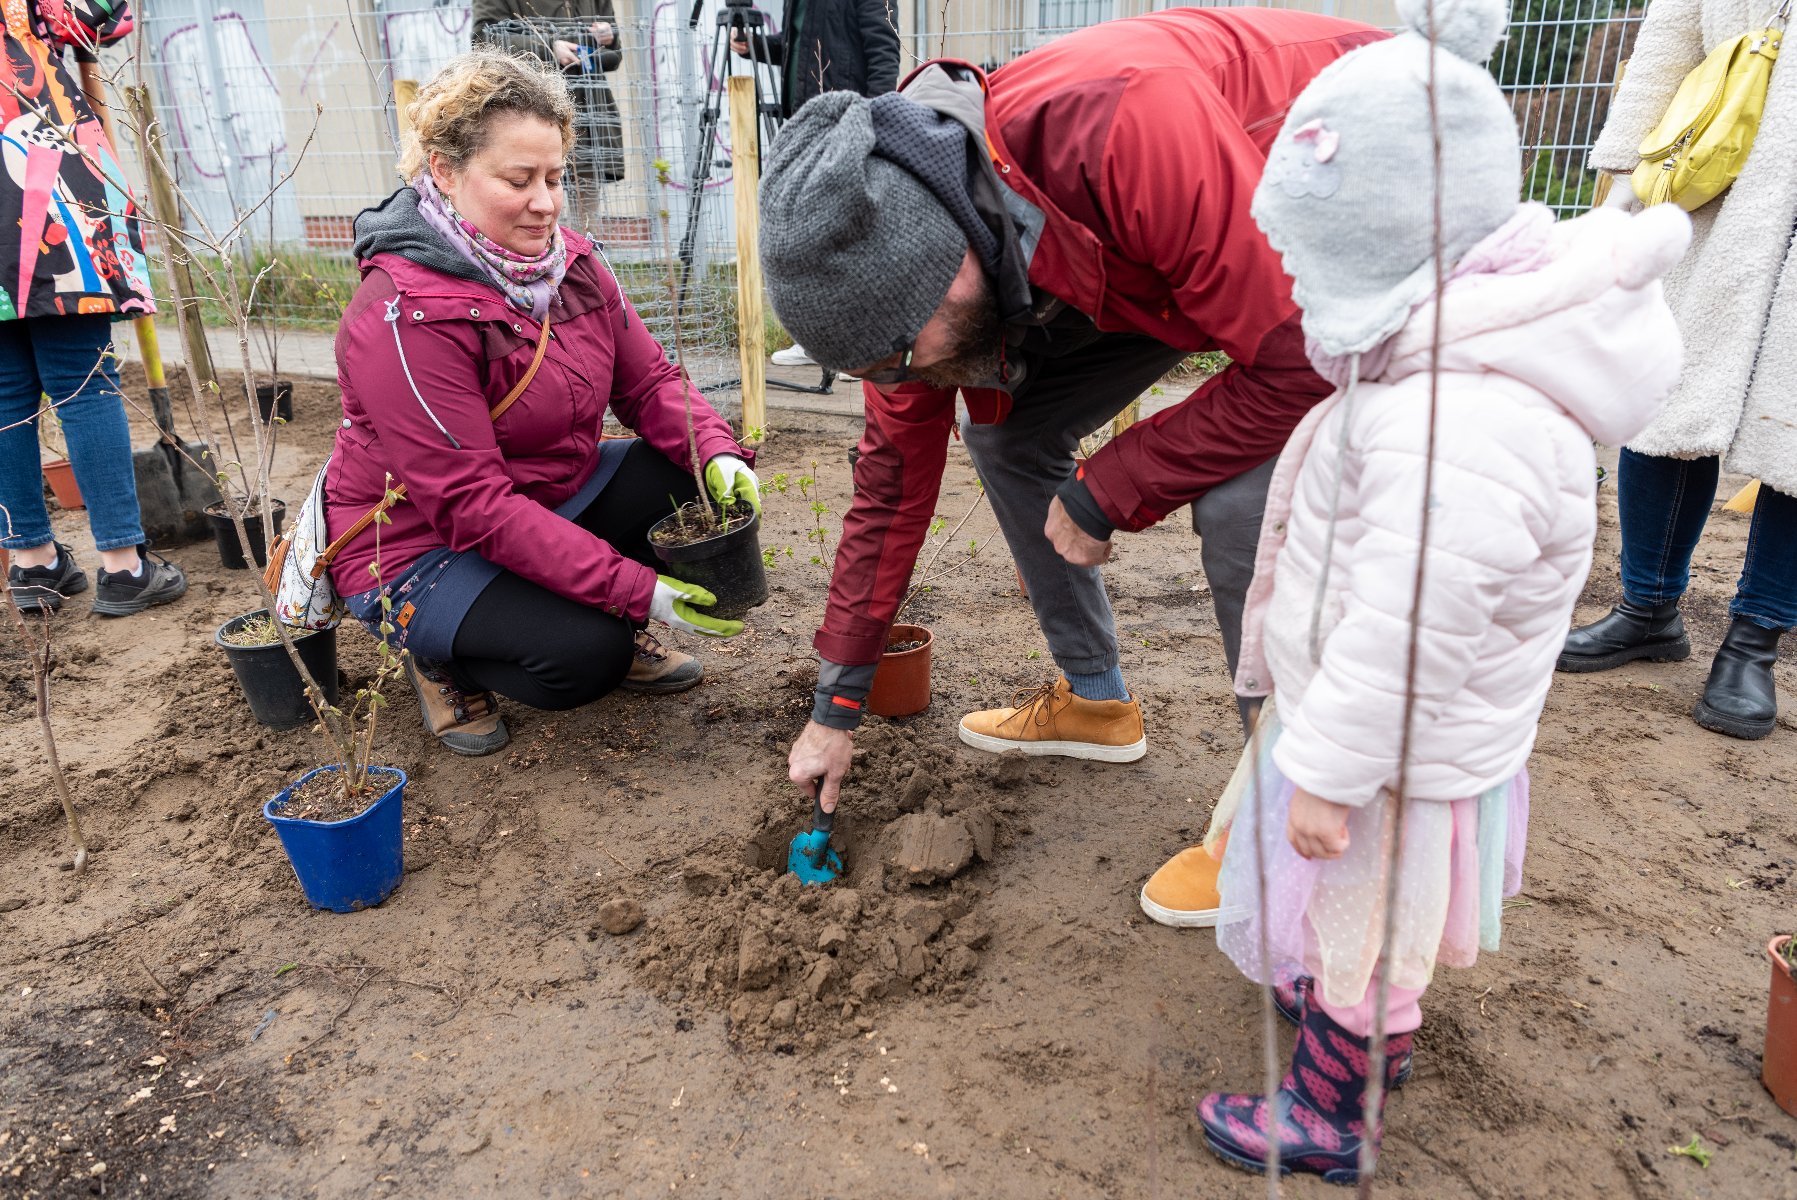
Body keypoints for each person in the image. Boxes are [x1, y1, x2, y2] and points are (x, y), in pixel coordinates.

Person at [1190, 0, 1690, 1181]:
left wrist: (1332, 768)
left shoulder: (1459, 417)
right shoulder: (1456, 361)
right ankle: (1366, 1039)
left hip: (1393, 753)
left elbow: (1411, 624)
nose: (1301, 292)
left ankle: (1330, 1118)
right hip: (1395, 735)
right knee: (1363, 929)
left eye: (1317, 265)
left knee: (1358, 920)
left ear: (1390, 252)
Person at [756, 10, 1381, 814]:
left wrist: (1110, 488)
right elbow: (887, 493)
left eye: (897, 361)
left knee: (1244, 507)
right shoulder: (904, 286)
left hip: (1365, 176)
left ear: (944, 267)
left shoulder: (1122, 126)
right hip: (1170, 259)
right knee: (1006, 432)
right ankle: (1095, 699)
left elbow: (1302, 362)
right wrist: (835, 706)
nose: (900, 381)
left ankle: (1289, 813)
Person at [327, 49, 759, 756]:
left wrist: (715, 449)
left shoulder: (572, 264)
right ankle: (440, 659)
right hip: (418, 543)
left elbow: (649, 383)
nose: (546, 202)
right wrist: (634, 591)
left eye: (556, 177)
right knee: (586, 655)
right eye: (518, 179)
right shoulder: (405, 314)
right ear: (444, 170)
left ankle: (573, 609)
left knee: (690, 487)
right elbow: (472, 505)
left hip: (546, 493)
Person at [1558, 0, 1797, 741]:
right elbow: (1667, 40)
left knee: (1791, 434)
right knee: (1663, 398)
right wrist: (1626, 178)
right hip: (1713, 187)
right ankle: (1646, 610)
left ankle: (1753, 645)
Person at [1, 0, 187, 617]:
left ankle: (32, 564)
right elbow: (97, 16)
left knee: (3, 394)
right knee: (84, 385)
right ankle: (124, 568)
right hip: (39, 178)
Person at [731, 0, 901, 369]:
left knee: (852, 234)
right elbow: (799, 45)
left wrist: (873, 119)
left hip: (847, 120)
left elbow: (884, 48)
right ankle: (815, 342)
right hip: (805, 121)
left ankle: (867, 353)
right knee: (809, 235)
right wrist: (758, 47)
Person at [474, 0, 626, 196]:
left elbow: (614, 56)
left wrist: (608, 37)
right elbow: (483, 39)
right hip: (527, 113)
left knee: (587, 215)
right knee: (535, 205)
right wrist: (548, 46)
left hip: (588, 121)